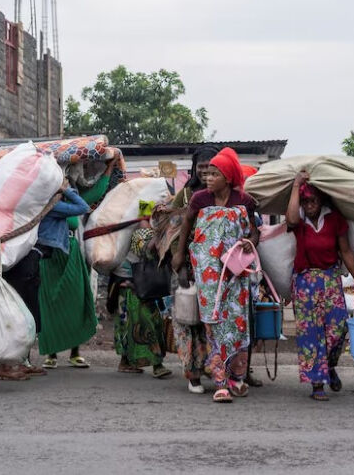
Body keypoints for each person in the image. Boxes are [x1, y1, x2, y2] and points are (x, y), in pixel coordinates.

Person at [172, 147, 260, 403]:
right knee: (212, 321)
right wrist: (180, 255)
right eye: (207, 173)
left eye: (214, 174)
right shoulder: (199, 199)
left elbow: (255, 232)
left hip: (235, 272)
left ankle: (236, 377)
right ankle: (220, 381)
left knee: (237, 322)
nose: (208, 178)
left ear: (229, 177)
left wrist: (250, 242)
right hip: (207, 271)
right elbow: (187, 224)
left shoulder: (245, 201)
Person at [286, 171, 354, 401]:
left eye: (312, 200)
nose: (309, 205)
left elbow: (346, 252)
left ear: (321, 200)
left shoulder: (334, 219)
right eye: (305, 201)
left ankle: (329, 367)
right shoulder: (299, 220)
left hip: (330, 279)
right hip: (305, 282)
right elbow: (291, 220)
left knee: (337, 329)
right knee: (310, 334)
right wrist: (296, 186)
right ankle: (317, 384)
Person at [169, 146, 218, 394]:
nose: (206, 171)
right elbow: (175, 232)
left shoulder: (223, 196)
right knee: (187, 322)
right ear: (194, 167)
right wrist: (180, 262)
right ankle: (193, 374)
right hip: (187, 268)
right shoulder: (186, 197)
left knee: (210, 322)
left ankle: (215, 367)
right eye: (201, 166)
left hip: (214, 270)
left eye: (211, 167)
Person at [37, 182, 97, 370]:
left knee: (75, 302)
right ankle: (51, 354)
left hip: (70, 255)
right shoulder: (51, 205)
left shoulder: (59, 203)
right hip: (51, 257)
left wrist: (66, 191)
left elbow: (85, 204)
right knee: (49, 304)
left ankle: (74, 353)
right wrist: (66, 191)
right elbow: (83, 207)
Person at [111, 205, 172, 378]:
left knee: (127, 324)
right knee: (148, 324)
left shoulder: (127, 229)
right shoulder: (141, 231)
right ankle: (157, 365)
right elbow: (146, 251)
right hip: (136, 286)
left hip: (126, 284)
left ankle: (126, 361)